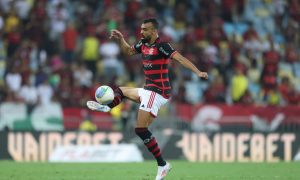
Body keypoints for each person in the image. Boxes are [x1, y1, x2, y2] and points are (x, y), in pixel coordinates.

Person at [87, 18, 208, 180]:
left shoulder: (162, 47)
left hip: (158, 92)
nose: (141, 32)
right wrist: (121, 39)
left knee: (140, 129)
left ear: (153, 31)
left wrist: (198, 72)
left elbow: (180, 59)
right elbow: (129, 51)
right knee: (121, 91)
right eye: (141, 29)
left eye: (145, 29)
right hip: (148, 90)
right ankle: (107, 107)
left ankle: (162, 165)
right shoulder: (142, 44)